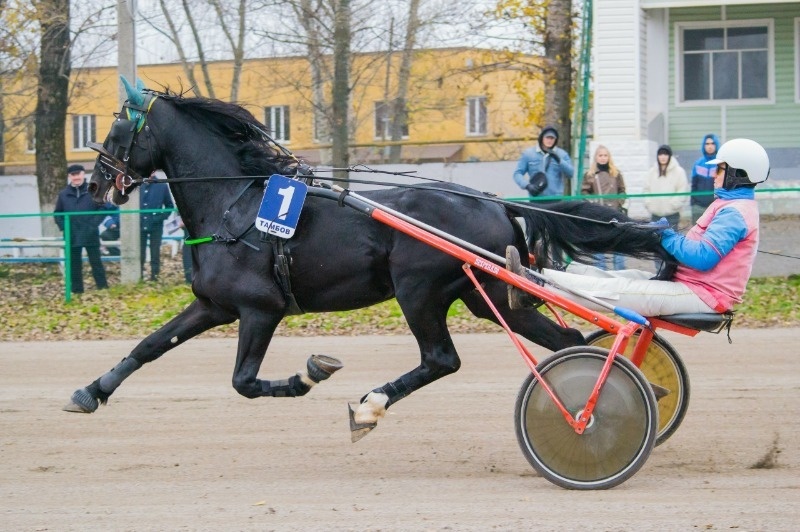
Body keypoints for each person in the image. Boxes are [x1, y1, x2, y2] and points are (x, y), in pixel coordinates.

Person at [507, 138, 768, 318]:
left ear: (738, 173)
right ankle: (553, 272)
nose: (714, 174)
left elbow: (702, 257)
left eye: (720, 169)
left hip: (703, 294)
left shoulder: (734, 212)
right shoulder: (730, 205)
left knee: (613, 293)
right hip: (693, 286)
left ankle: (534, 285)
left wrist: (664, 235)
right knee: (619, 278)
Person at [54, 164, 109, 294]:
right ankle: (77, 291)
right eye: (73, 175)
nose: (76, 177)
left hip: (90, 233)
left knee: (96, 263)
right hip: (72, 235)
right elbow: (57, 214)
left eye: (78, 174)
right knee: (74, 265)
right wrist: (65, 228)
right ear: (69, 177)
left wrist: (93, 224)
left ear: (83, 174)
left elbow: (102, 208)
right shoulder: (63, 194)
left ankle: (103, 289)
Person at [581, 145, 627, 270]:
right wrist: (594, 202)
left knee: (618, 246)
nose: (602, 158)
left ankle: (621, 274)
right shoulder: (589, 175)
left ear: (609, 157)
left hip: (615, 213)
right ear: (596, 157)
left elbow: (622, 190)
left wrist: (619, 201)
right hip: (598, 215)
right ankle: (601, 274)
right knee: (599, 247)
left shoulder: (616, 174)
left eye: (605, 155)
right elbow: (584, 192)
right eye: (600, 155)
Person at [513, 125, 574, 200]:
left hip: (556, 199)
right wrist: (527, 185)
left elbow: (570, 173)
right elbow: (517, 174)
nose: (549, 140)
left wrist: (559, 160)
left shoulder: (562, 154)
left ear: (556, 140)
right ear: (541, 138)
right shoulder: (528, 154)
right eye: (547, 137)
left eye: (552, 138)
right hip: (536, 199)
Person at [643, 145, 689, 229]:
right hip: (655, 215)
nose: (663, 157)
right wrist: (649, 203)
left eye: (665, 154)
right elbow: (646, 189)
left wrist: (674, 205)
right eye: (660, 154)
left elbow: (682, 190)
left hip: (672, 215)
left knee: (671, 239)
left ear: (670, 156)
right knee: (656, 240)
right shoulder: (651, 172)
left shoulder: (679, 172)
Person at [139, 175, 174, 281]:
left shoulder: (162, 186)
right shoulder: (138, 185)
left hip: (156, 226)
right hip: (139, 225)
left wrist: (159, 217)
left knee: (155, 253)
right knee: (140, 253)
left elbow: (169, 206)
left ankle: (155, 277)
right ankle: (139, 276)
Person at [691, 134, 721, 224]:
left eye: (712, 143)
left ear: (716, 145)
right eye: (707, 144)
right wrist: (694, 203)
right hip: (698, 207)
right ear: (703, 146)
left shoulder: (720, 164)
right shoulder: (698, 163)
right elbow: (693, 186)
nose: (710, 146)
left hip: (715, 207)